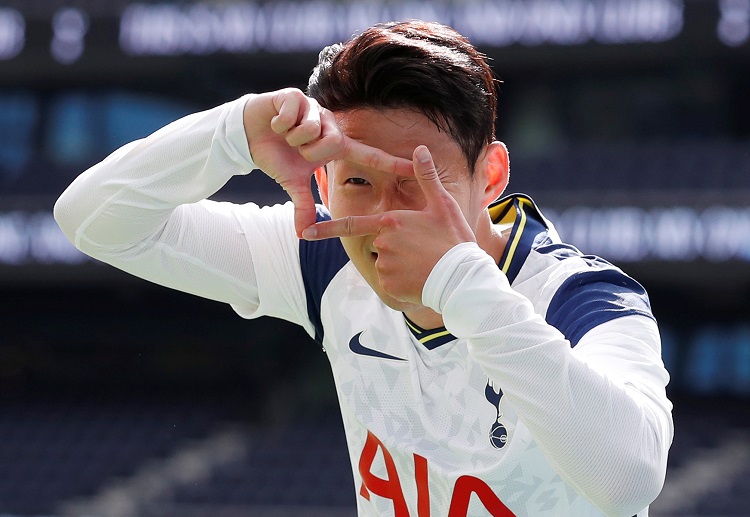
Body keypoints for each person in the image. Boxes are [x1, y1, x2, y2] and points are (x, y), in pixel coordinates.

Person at [54, 20, 672, 517]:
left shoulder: (584, 297)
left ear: (491, 176)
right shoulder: (321, 253)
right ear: (323, 179)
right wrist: (233, 134)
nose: (384, 216)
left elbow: (628, 479)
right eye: (357, 181)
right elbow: (92, 219)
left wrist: (458, 282)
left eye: (417, 180)